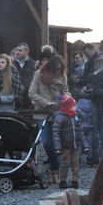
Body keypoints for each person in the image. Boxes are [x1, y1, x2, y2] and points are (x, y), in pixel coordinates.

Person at [29, 54, 70, 182]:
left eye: (60, 69)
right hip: (43, 111)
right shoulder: (38, 74)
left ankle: (54, 170)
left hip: (58, 113)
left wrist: (66, 94)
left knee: (57, 143)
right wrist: (45, 102)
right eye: (56, 69)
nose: (58, 71)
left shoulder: (62, 77)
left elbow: (66, 93)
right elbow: (32, 93)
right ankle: (56, 167)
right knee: (46, 143)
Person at [52, 95, 88, 189]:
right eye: (73, 106)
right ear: (67, 107)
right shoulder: (60, 118)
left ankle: (75, 180)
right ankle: (63, 180)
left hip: (76, 145)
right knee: (66, 163)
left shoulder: (75, 117)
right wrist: (58, 148)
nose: (75, 107)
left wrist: (85, 145)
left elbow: (80, 131)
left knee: (76, 163)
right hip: (65, 146)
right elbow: (56, 133)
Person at [13, 43, 37, 110]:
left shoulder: (34, 64)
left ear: (26, 52)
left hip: (28, 98)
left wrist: (26, 87)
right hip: (14, 97)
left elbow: (36, 80)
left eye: (20, 50)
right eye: (16, 50)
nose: (17, 52)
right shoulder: (12, 64)